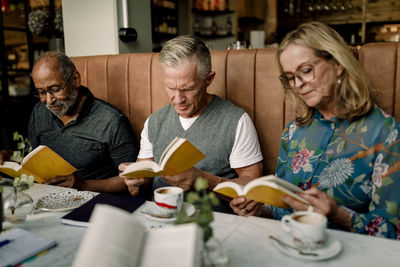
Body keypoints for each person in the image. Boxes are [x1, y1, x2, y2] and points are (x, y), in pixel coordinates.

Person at [230, 21, 400, 239]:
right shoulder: (294, 131)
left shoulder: (385, 132)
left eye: (306, 71)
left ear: (338, 63)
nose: (298, 84)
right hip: (289, 245)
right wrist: (259, 208)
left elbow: (392, 229)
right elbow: (282, 206)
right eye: (290, 77)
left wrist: (338, 214)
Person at [120, 35, 263, 211]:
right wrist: (136, 183)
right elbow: (144, 184)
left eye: (188, 89)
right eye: (170, 88)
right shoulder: (154, 122)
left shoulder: (236, 121)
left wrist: (205, 181)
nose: (178, 99)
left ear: (209, 79)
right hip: (158, 218)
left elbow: (253, 188)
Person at [27, 51, 139, 193]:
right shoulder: (39, 112)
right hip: (47, 196)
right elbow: (31, 158)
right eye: (42, 92)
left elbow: (133, 180)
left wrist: (83, 185)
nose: (48, 101)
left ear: (75, 79)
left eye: (55, 90)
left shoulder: (111, 120)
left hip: (95, 202)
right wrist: (9, 158)